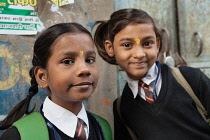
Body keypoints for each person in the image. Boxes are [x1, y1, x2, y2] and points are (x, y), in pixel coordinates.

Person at [93, 8, 210, 140]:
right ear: (110, 48)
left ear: (158, 44)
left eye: (147, 43)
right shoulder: (122, 108)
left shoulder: (191, 79)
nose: (139, 54)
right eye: (127, 45)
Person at [0, 23, 112, 140]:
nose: (84, 69)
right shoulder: (21, 136)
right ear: (42, 76)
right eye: (67, 61)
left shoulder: (103, 129)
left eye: (89, 60)